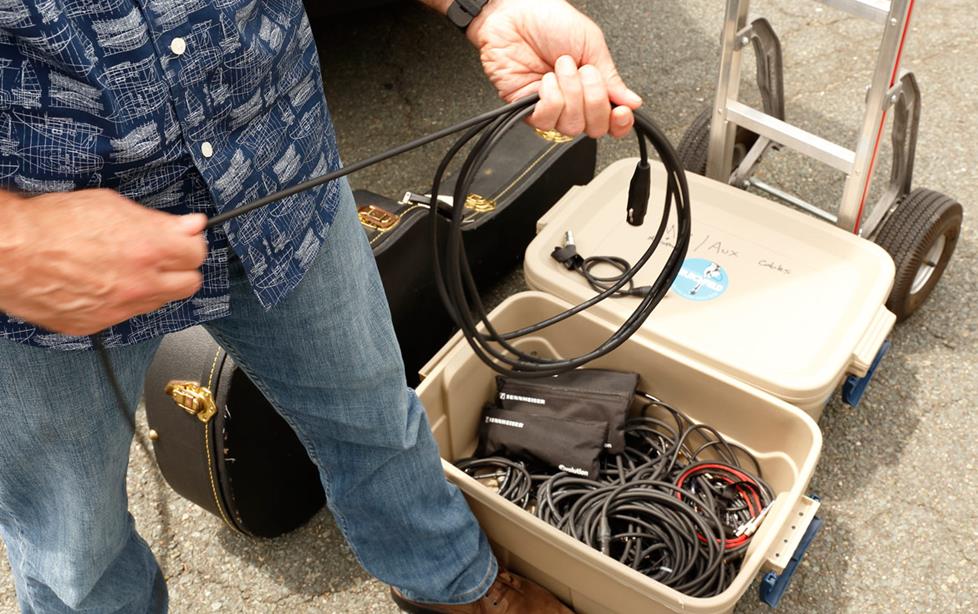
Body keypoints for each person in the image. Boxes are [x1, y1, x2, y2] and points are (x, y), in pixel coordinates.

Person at [0, 0, 642, 612]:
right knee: (70, 539)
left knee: (376, 417)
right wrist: (14, 241)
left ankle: (448, 580)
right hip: (40, 263)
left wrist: (488, 9)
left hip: (277, 158)